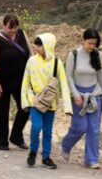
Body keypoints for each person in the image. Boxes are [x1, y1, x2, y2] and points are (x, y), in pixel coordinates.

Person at [21, 33, 72, 169]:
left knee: (48, 131)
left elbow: (64, 85)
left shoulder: (57, 63)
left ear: (48, 46)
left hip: (51, 102)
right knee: (36, 127)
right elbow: (25, 82)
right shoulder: (32, 61)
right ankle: (33, 151)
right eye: (37, 45)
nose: (37, 47)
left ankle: (46, 157)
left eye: (40, 45)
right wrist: (24, 102)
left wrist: (68, 107)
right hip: (35, 101)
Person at [60, 29, 102, 169]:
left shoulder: (97, 55)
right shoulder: (73, 55)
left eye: (94, 44)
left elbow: (101, 75)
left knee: (94, 129)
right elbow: (68, 76)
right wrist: (75, 95)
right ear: (83, 40)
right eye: (89, 43)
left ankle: (91, 159)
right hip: (78, 95)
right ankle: (66, 145)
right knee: (80, 127)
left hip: (94, 94)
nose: (92, 46)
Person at [0, 14, 32, 150]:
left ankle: (16, 136)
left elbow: (30, 53)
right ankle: (1, 142)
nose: (12, 31)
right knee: (2, 111)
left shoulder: (21, 33)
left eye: (14, 28)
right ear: (3, 25)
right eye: (9, 28)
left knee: (26, 107)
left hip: (21, 80)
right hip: (3, 81)